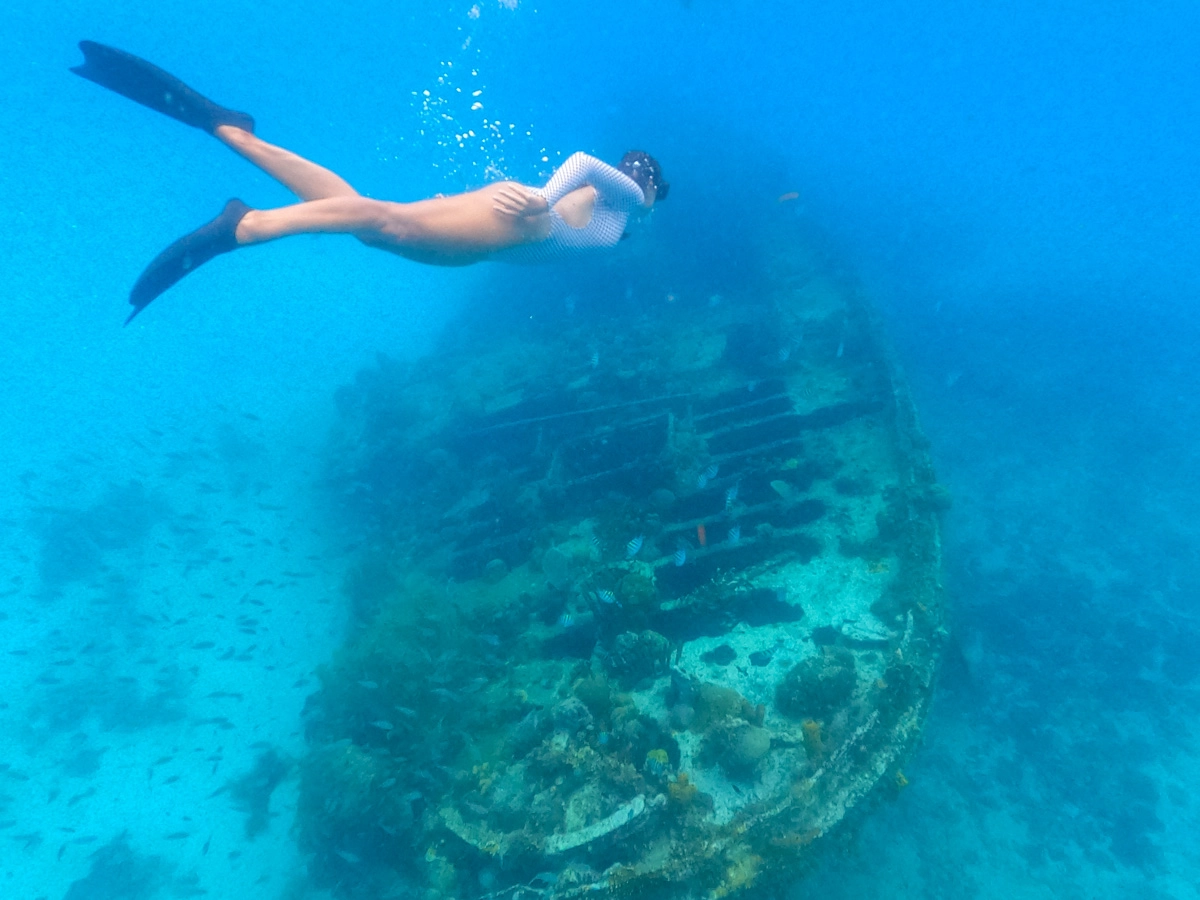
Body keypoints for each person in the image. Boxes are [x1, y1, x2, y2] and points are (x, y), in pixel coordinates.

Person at [70, 41, 669, 323]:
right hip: (512, 224)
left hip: (500, 230)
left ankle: (233, 132)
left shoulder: (617, 221)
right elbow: (586, 162)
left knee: (367, 217)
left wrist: (464, 208)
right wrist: (542, 197)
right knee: (379, 222)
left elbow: (569, 212)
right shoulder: (633, 204)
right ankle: (247, 225)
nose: (640, 179)